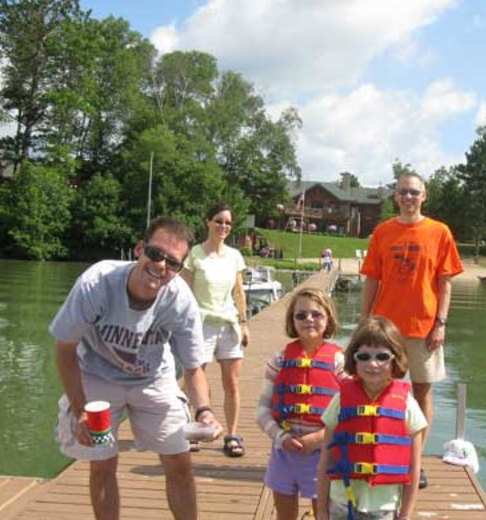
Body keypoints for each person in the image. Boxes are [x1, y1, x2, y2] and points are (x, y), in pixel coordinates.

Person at [51, 216, 223, 520]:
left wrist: (204, 411)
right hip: (97, 377)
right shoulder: (97, 283)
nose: (161, 266)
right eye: (156, 254)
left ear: (180, 269)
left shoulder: (180, 300)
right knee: (103, 462)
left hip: (153, 379)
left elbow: (194, 368)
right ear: (139, 249)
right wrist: (80, 411)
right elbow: (65, 350)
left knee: (180, 460)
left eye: (173, 263)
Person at [359, 172, 463, 489]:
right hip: (385, 328)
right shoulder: (382, 232)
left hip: (424, 327)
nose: (408, 197)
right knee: (380, 391)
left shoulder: (439, 232)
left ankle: (413, 461)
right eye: (403, 192)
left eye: (414, 192)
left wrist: (441, 324)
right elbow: (372, 279)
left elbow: (445, 284)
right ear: (395, 196)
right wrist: (364, 321)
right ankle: (379, 455)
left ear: (424, 196)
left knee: (421, 391)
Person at [317, 316, 427, 520]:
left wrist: (405, 516)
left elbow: (414, 468)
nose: (373, 364)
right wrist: (321, 510)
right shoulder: (340, 400)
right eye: (364, 356)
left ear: (395, 358)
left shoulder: (408, 405)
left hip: (384, 508)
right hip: (342, 503)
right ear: (354, 359)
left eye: (382, 357)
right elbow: (326, 459)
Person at [256, 288, 349, 520]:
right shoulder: (279, 360)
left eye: (316, 314)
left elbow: (350, 414)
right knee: (284, 515)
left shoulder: (340, 361)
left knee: (323, 514)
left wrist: (319, 438)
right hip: (284, 453)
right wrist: (281, 437)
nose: (309, 319)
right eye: (301, 315)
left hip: (324, 453)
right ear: (292, 320)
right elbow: (262, 412)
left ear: (328, 319)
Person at [180, 202, 250, 457]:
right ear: (208, 222)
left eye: (228, 223)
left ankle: (231, 435)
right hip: (201, 324)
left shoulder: (234, 256)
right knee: (196, 379)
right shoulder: (194, 255)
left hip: (228, 323)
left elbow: (239, 292)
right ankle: (196, 431)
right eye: (219, 221)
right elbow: (184, 293)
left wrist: (244, 323)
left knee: (231, 382)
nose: (223, 226)